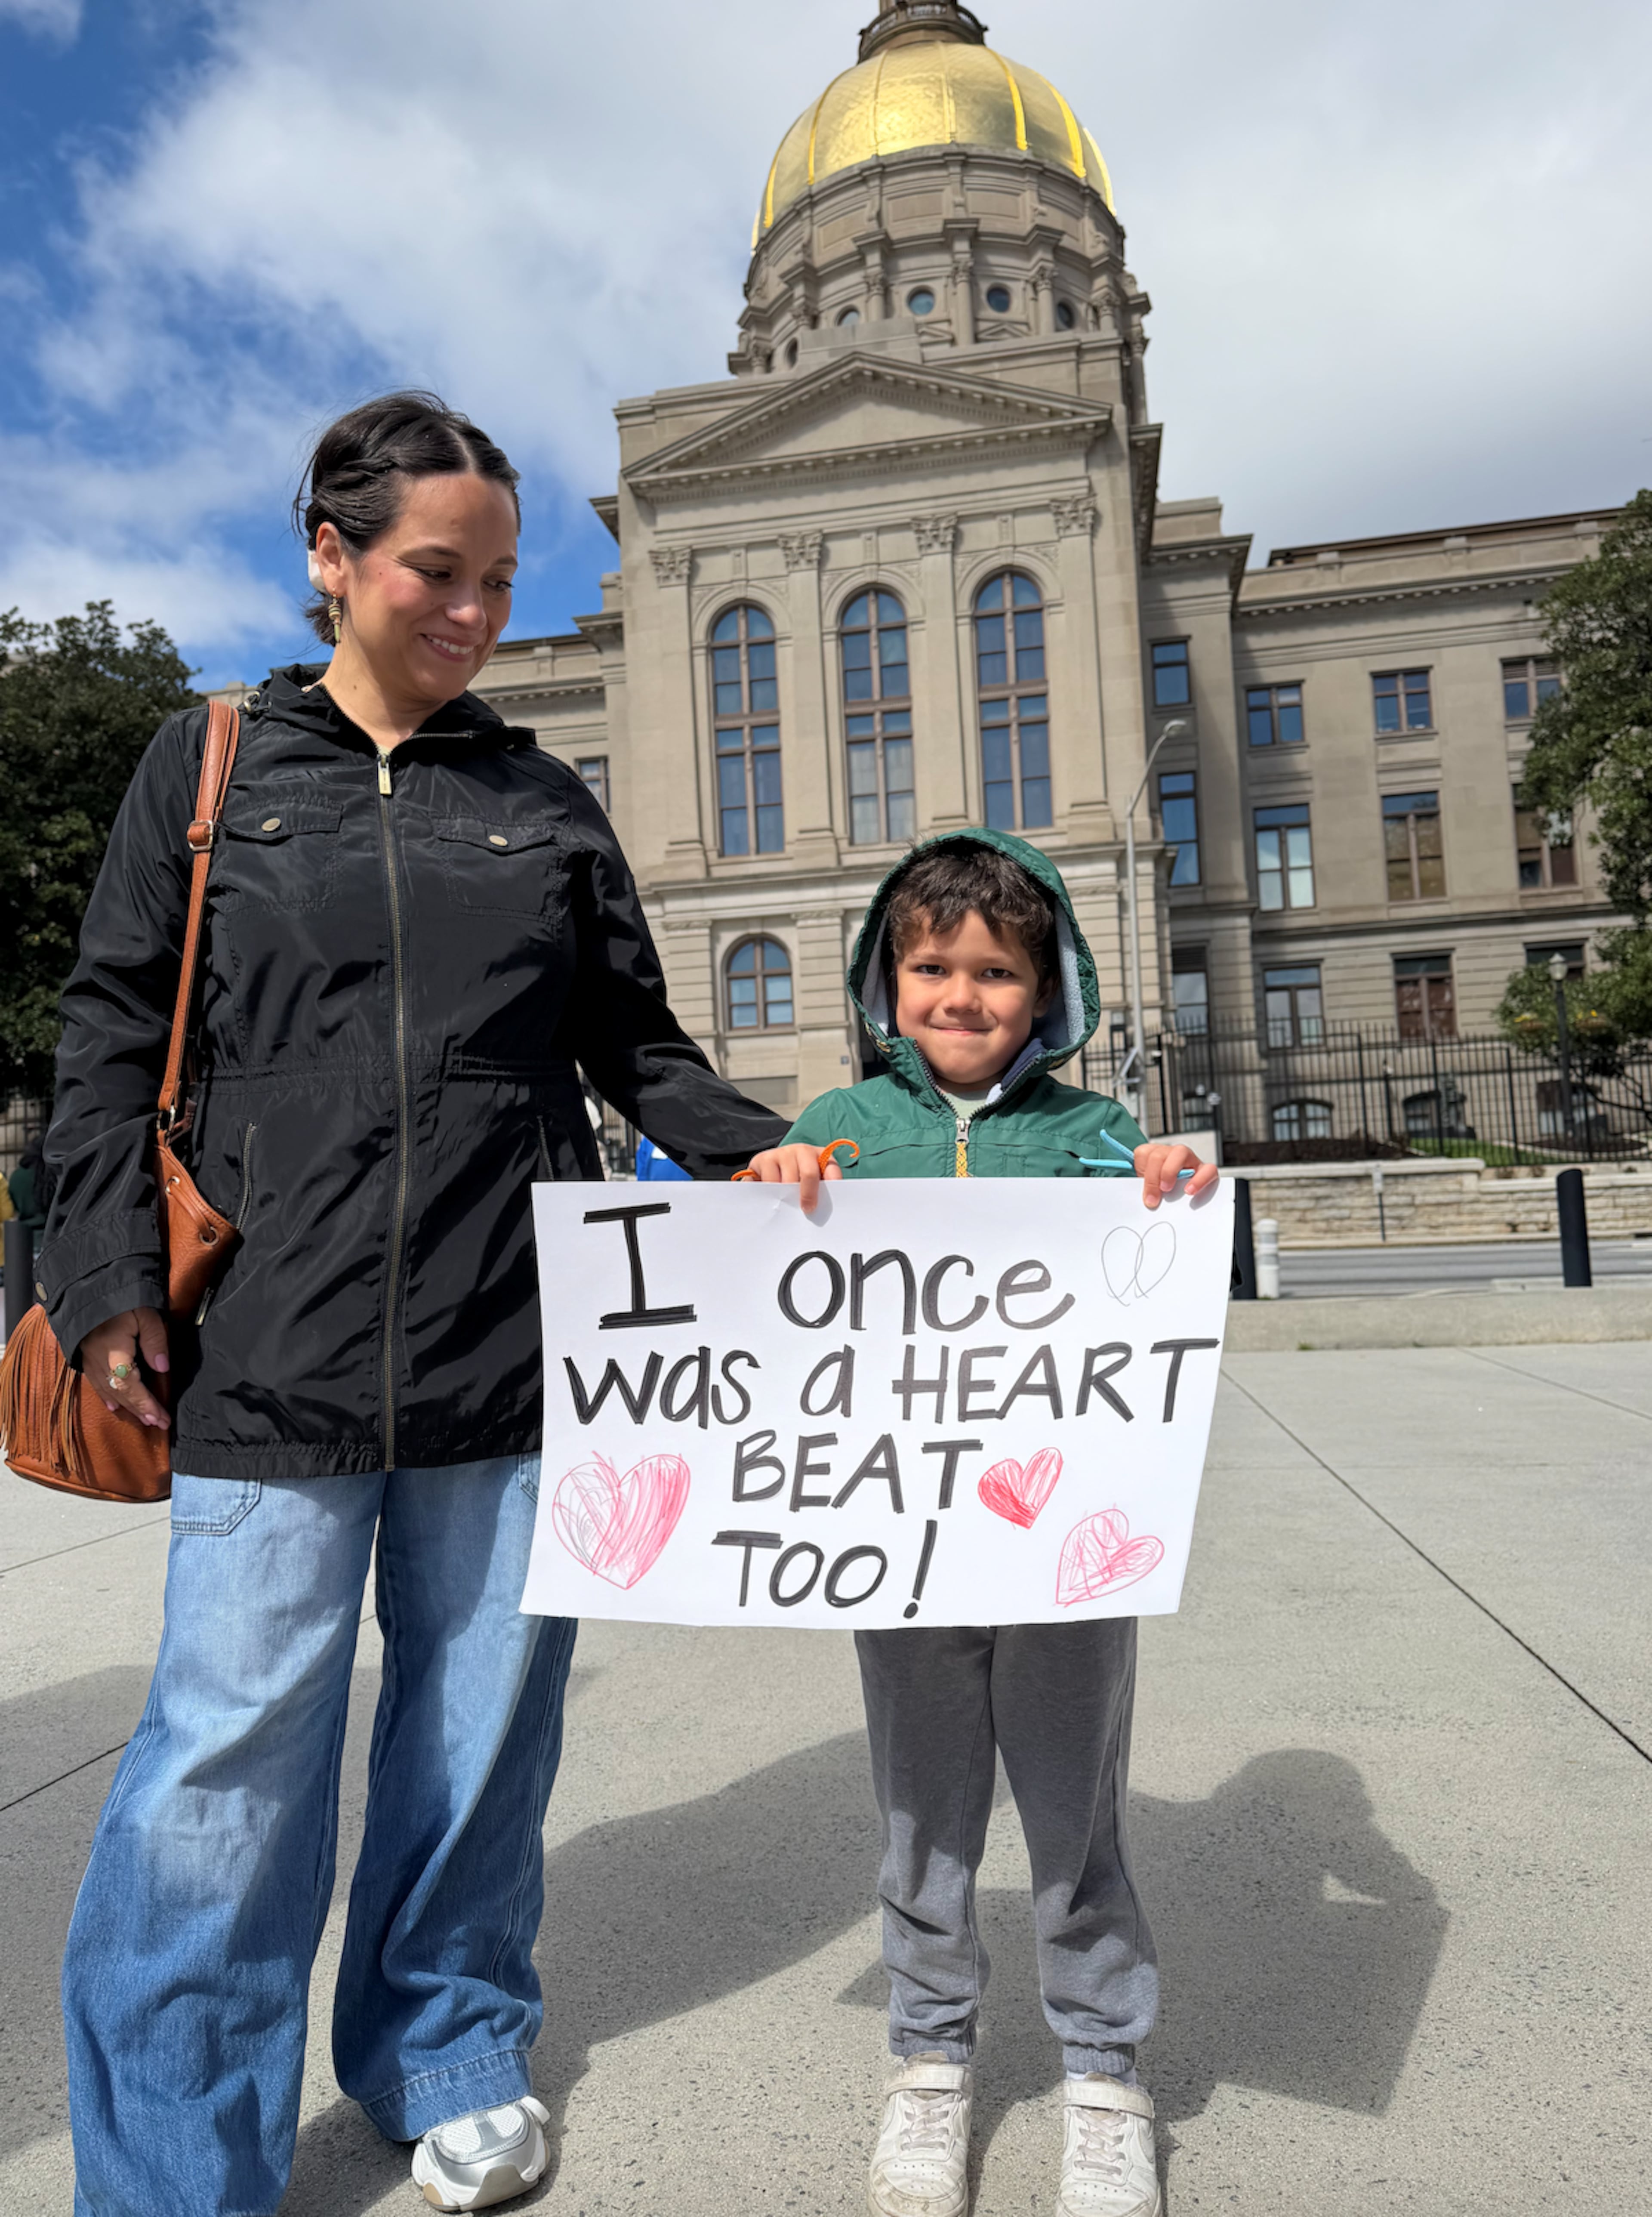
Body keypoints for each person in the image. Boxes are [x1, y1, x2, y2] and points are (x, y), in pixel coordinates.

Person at [39, 390, 824, 2217]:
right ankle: (175, 2163)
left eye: (496, 580)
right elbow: (102, 1044)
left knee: (479, 1737)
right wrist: (99, 1283)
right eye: (433, 572)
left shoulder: (537, 800)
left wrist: (754, 1150)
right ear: (332, 558)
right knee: (226, 1765)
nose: (471, 611)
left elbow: (635, 1047)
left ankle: (446, 2045)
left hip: (516, 1351)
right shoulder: (214, 765)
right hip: (268, 1360)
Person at [743, 830, 1217, 2217]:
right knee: (920, 1812)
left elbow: (1155, 1268)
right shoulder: (836, 1125)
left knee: (1074, 1815)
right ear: (886, 980)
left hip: (1064, 1548)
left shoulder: (1093, 1137)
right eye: (932, 964)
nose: (961, 993)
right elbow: (761, 1302)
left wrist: (1171, 1181)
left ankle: (1102, 2072)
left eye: (996, 969)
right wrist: (773, 1183)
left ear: (1047, 986)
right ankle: (929, 2061)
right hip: (896, 1551)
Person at [7, 1134, 47, 1230]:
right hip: (52, 1232)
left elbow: (11, 1208)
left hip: (22, 1235)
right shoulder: (54, 1175)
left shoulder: (17, 1176)